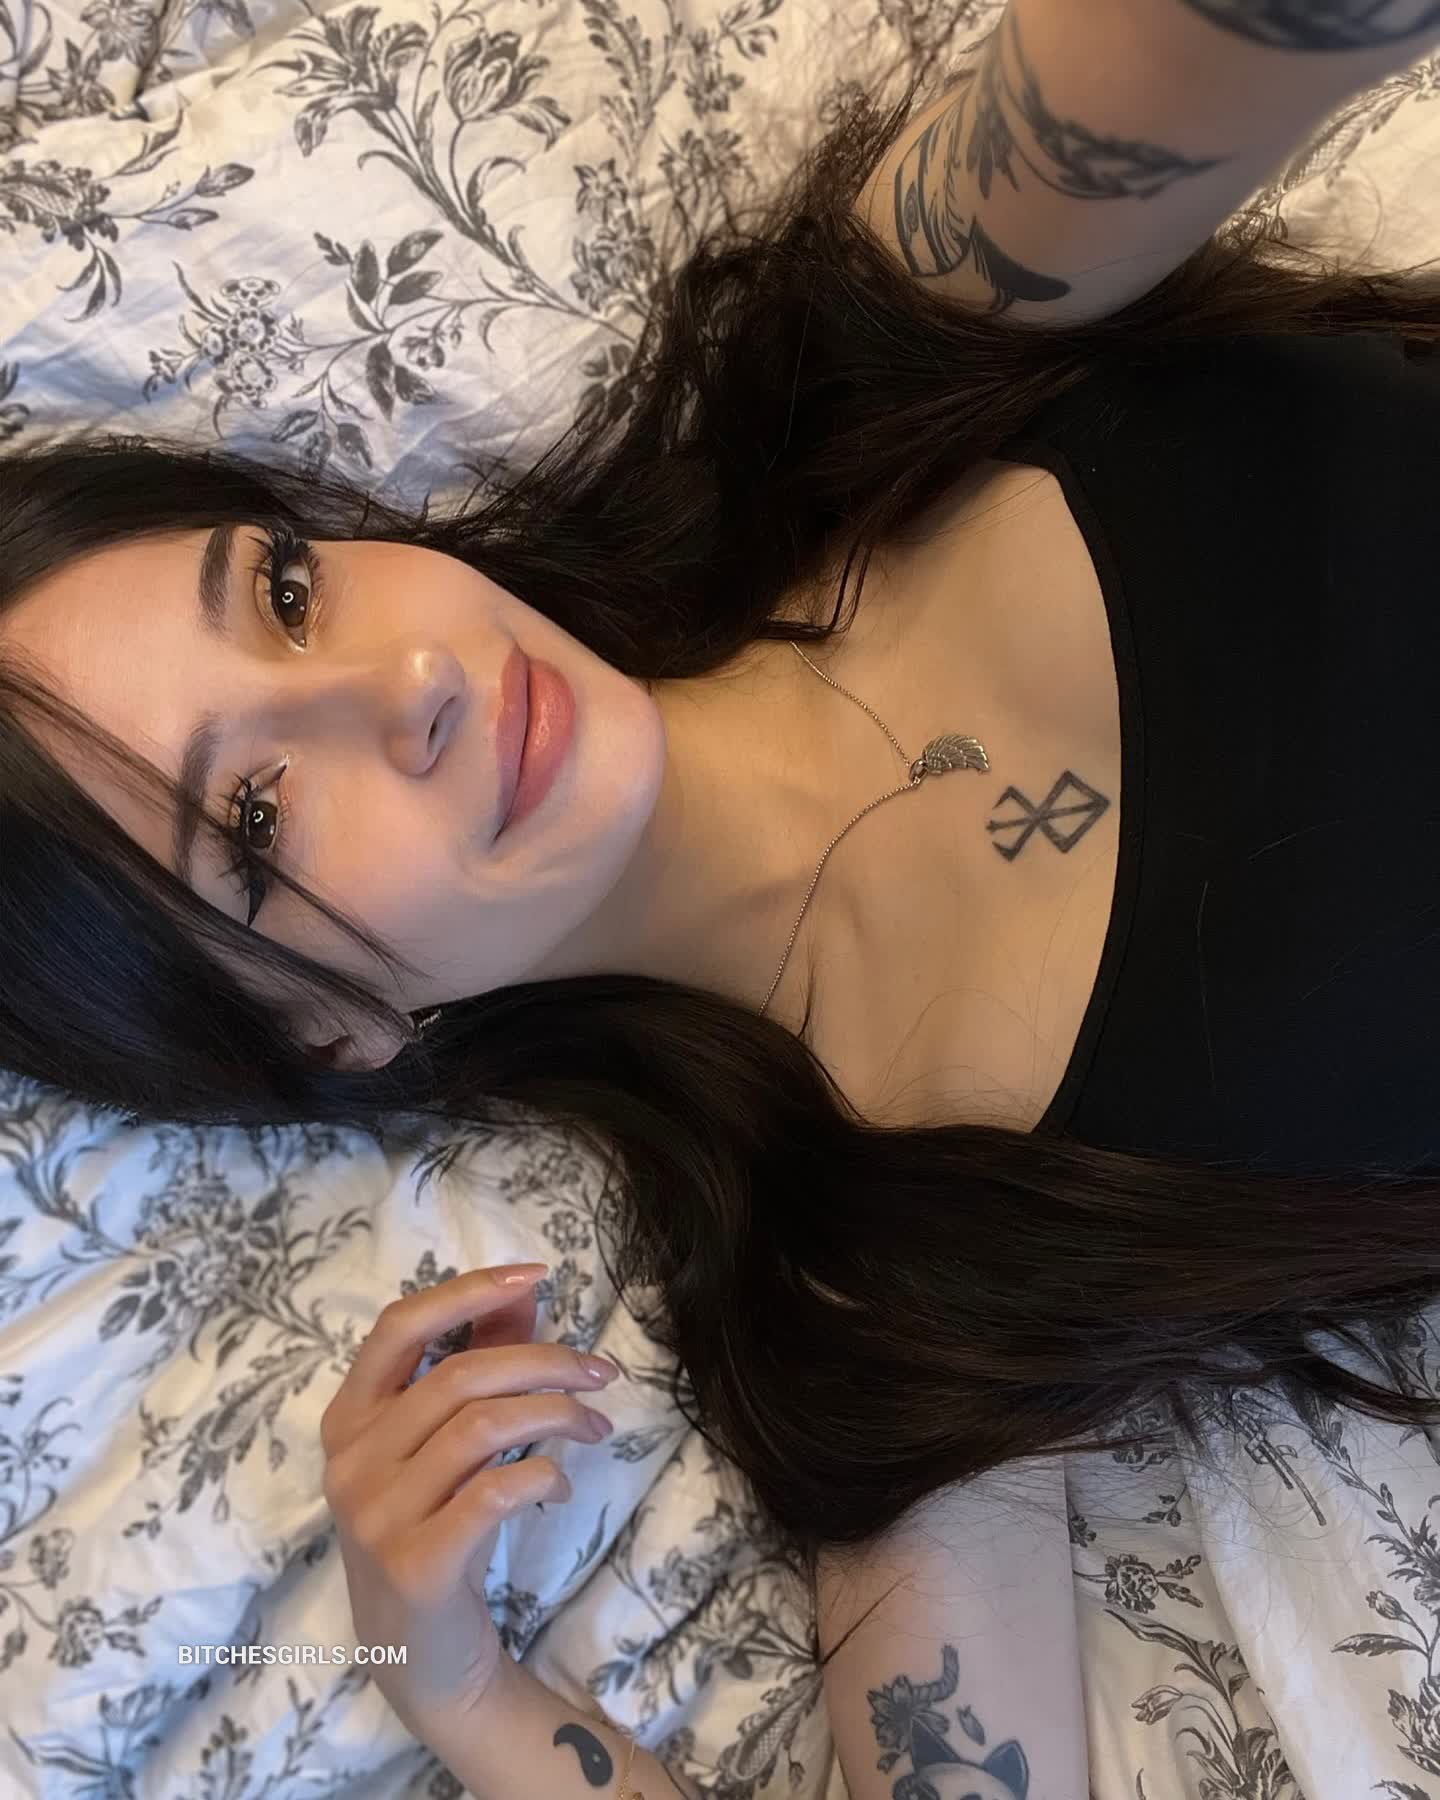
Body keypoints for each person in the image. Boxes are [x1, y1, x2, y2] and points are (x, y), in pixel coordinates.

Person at [6, 2, 1440, 1794]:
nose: (408, 685)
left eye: (287, 593)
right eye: (258, 814)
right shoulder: (875, 1283)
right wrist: (441, 1674)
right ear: (332, 1033)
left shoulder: (864, 360)